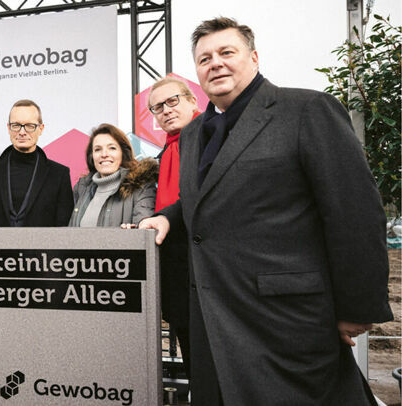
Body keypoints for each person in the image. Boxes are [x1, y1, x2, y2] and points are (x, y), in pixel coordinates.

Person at [138, 17, 393, 405]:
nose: (215, 63)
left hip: (287, 322)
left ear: (254, 57)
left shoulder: (307, 109)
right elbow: (206, 199)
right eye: (204, 58)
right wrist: (168, 217)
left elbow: (354, 211)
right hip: (212, 322)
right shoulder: (192, 135)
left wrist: (355, 307)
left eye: (227, 52)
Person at [147, 76, 201, 380]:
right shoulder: (164, 153)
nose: (166, 110)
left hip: (208, 273)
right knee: (193, 360)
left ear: (192, 101)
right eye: (158, 107)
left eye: (172, 101)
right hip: (177, 275)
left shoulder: (214, 142)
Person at [0, 99, 73, 226]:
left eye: (30, 126)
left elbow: (63, 228)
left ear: (41, 129)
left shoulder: (59, 174)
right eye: (16, 125)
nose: (22, 132)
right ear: (8, 128)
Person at [68, 123, 157, 227]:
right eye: (98, 149)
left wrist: (134, 230)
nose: (104, 154)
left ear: (123, 153)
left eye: (112, 148)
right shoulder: (81, 188)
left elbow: (145, 227)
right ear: (92, 156)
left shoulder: (141, 186)